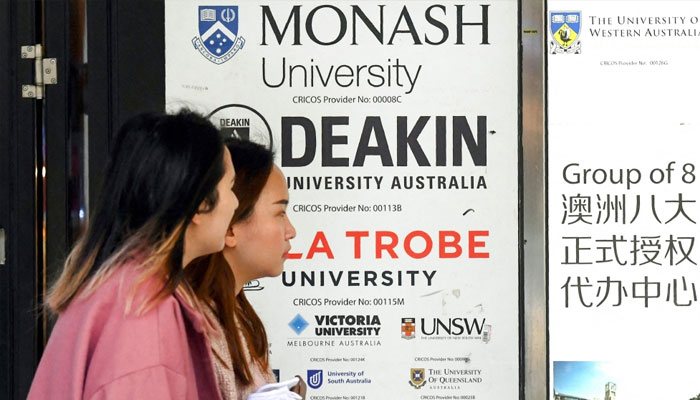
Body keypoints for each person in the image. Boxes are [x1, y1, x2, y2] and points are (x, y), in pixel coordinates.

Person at [28, 110, 239, 399]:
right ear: (202, 203)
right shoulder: (142, 311)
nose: (236, 203)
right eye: (230, 187)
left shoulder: (124, 289)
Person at [186, 137, 306, 400]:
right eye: (279, 213)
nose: (291, 231)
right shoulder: (192, 326)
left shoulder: (238, 317)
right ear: (230, 226)